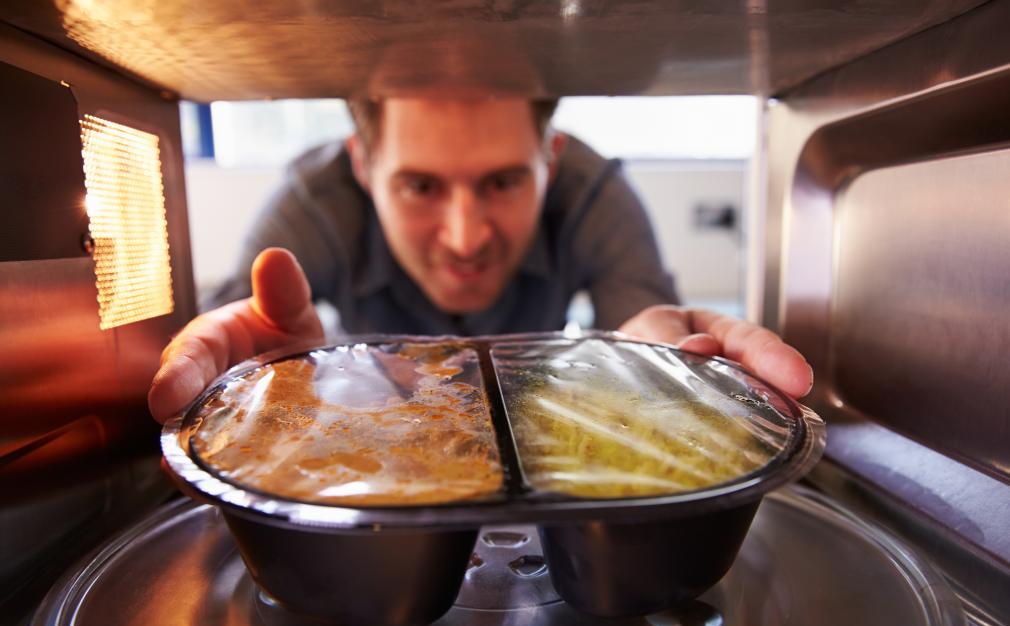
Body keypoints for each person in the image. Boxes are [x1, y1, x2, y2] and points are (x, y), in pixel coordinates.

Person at [148, 97, 812, 423]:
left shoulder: (592, 193)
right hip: (386, 430)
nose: (465, 238)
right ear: (362, 163)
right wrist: (254, 385)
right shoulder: (312, 206)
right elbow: (231, 344)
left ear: (549, 160)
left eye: (502, 182)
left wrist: (657, 365)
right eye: (420, 186)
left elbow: (645, 325)